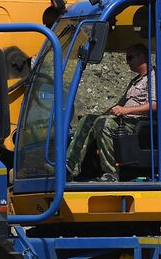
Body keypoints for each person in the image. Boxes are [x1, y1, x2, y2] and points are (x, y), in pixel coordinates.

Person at [65, 43, 153, 182]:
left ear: (142, 56)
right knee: (88, 119)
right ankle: (70, 166)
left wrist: (125, 110)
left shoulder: (153, 78)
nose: (127, 62)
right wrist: (105, 113)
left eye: (130, 58)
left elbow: (155, 105)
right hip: (124, 120)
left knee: (103, 123)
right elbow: (121, 103)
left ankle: (111, 173)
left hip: (137, 123)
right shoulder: (135, 81)